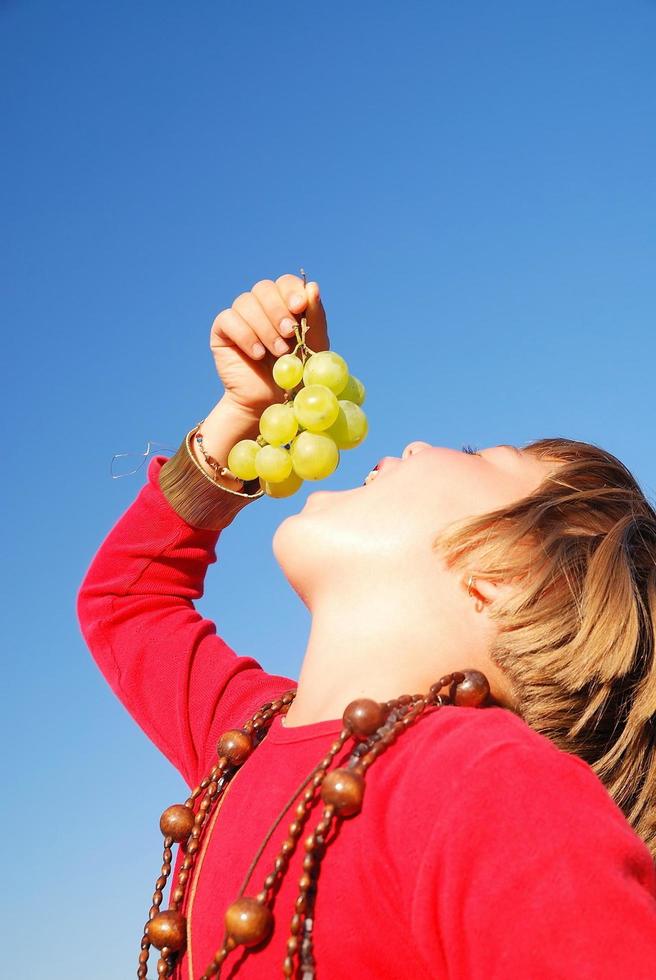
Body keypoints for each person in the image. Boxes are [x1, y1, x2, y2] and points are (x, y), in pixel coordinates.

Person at [77, 272, 656, 979]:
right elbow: (126, 601)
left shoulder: (497, 790)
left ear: (502, 573)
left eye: (479, 454)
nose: (411, 443)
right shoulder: (243, 737)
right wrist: (242, 415)